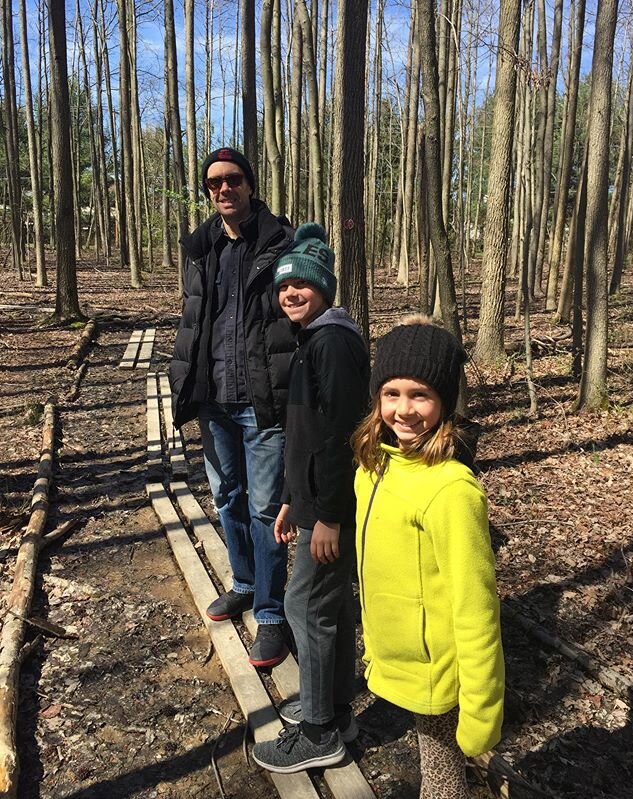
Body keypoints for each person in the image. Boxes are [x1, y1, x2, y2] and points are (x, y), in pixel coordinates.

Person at [351, 316, 504, 799]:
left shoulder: (451, 490)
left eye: (420, 395)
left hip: (438, 668)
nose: (404, 410)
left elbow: (477, 609)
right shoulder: (377, 465)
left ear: (444, 400)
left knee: (441, 781)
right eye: (392, 393)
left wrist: (481, 710)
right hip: (402, 657)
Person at [169, 147, 296, 668]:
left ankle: (270, 612)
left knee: (267, 510)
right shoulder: (203, 249)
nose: (223, 189)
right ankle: (244, 583)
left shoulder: (280, 243)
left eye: (233, 180)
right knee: (228, 498)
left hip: (262, 403)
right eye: (214, 183)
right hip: (213, 401)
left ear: (250, 185)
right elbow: (195, 323)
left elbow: (298, 316)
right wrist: (186, 383)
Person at [251, 224, 370, 773]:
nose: (291, 293)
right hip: (317, 504)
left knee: (305, 605)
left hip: (333, 509)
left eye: (302, 285)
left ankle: (319, 729)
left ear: (325, 289)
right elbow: (305, 440)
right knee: (332, 606)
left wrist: (326, 516)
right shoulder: (312, 340)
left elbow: (341, 436)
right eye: (283, 288)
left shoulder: (332, 343)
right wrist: (290, 503)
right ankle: (337, 709)